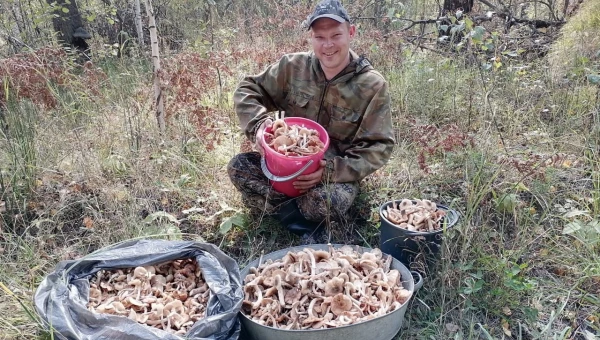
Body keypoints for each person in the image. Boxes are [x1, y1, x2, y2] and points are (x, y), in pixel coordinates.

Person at [228, 0, 395, 243]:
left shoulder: (371, 85)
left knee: (327, 202)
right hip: (282, 165)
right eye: (320, 37)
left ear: (351, 32)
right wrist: (259, 126)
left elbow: (379, 147)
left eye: (336, 35)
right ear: (311, 38)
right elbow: (247, 88)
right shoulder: (293, 67)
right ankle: (297, 215)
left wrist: (329, 171)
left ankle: (290, 212)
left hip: (331, 173)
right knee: (238, 167)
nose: (328, 45)